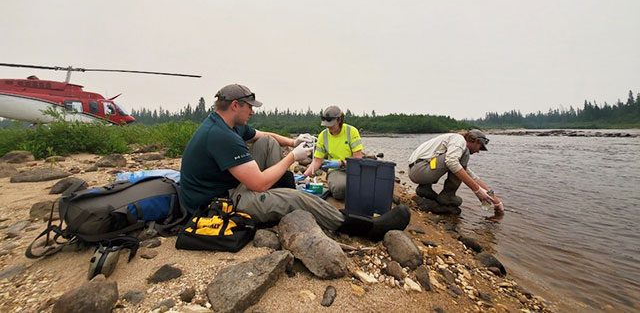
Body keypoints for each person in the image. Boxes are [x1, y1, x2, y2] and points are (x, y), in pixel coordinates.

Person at [179, 84, 410, 240]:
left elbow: (261, 136)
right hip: (218, 204)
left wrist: (292, 142)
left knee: (268, 143)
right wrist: (293, 157)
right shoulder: (222, 136)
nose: (252, 111)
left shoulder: (226, 123)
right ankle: (366, 229)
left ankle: (280, 194)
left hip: (227, 187)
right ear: (235, 105)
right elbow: (258, 184)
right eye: (250, 106)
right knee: (299, 197)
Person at [407, 129, 504, 213]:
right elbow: (452, 163)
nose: (478, 151)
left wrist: (496, 200)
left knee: (459, 167)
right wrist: (477, 190)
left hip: (416, 170)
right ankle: (448, 195)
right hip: (421, 170)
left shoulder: (454, 142)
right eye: (480, 147)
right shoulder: (459, 140)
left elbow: (469, 174)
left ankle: (424, 189)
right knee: (461, 156)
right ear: (475, 140)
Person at [303, 105, 363, 200]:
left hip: (353, 169)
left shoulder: (351, 132)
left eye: (331, 124)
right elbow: (317, 161)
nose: (328, 126)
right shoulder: (323, 136)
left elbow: (358, 159)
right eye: (326, 124)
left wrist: (340, 163)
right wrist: (304, 175)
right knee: (339, 189)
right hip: (336, 171)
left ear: (339, 120)